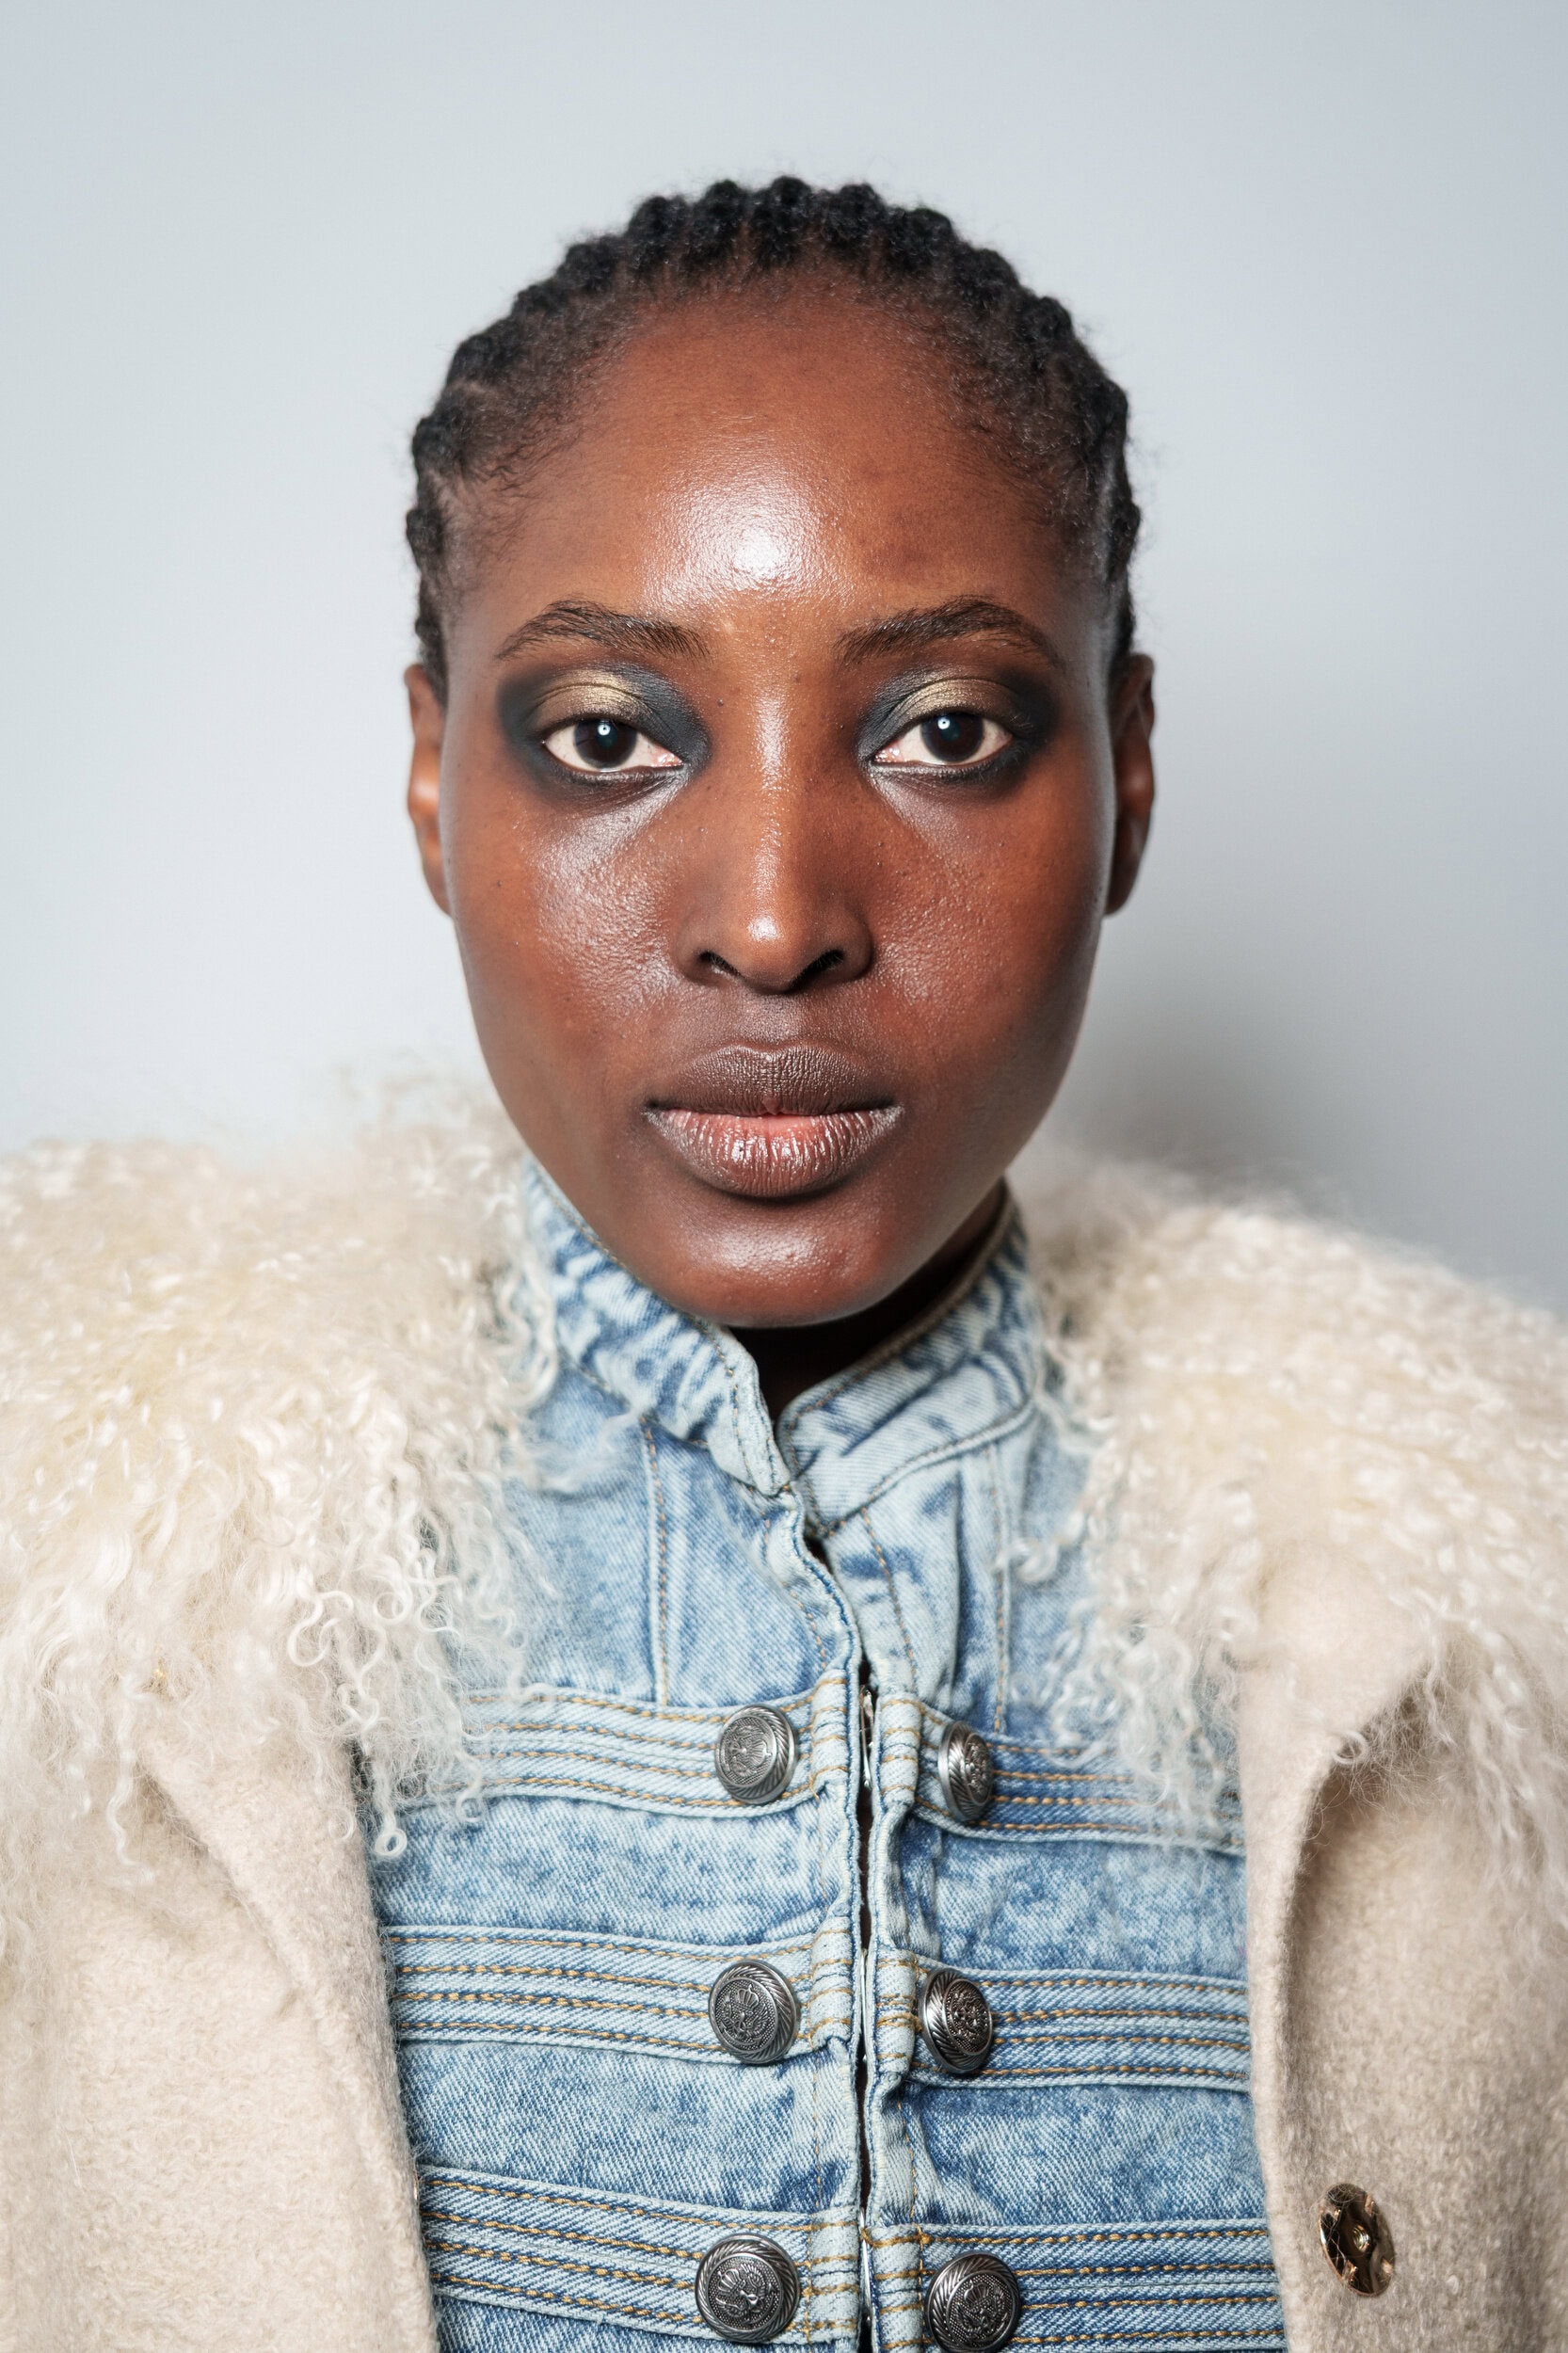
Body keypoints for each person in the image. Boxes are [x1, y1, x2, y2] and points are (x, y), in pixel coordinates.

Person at [1, 178, 1564, 2353]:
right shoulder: (67, 1600)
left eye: (944, 729)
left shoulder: (1491, 1621)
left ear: (1123, 773)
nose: (768, 918)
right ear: (431, 782)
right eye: (605, 736)